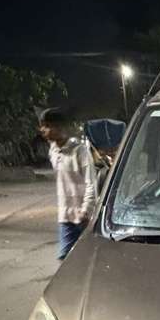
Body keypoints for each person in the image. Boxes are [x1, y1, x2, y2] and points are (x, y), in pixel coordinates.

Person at [39, 107, 97, 260]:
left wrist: (86, 210)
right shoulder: (53, 151)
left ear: (59, 127)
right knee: (65, 258)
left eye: (46, 125)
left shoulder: (80, 151)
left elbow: (91, 183)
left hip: (83, 217)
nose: (42, 130)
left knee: (87, 260)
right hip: (65, 217)